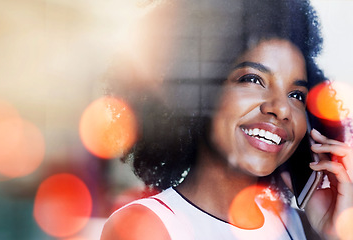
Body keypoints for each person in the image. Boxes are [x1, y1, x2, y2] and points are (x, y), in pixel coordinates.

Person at [101, 0, 353, 239]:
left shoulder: (301, 227)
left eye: (296, 94)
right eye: (253, 79)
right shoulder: (146, 226)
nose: (282, 109)